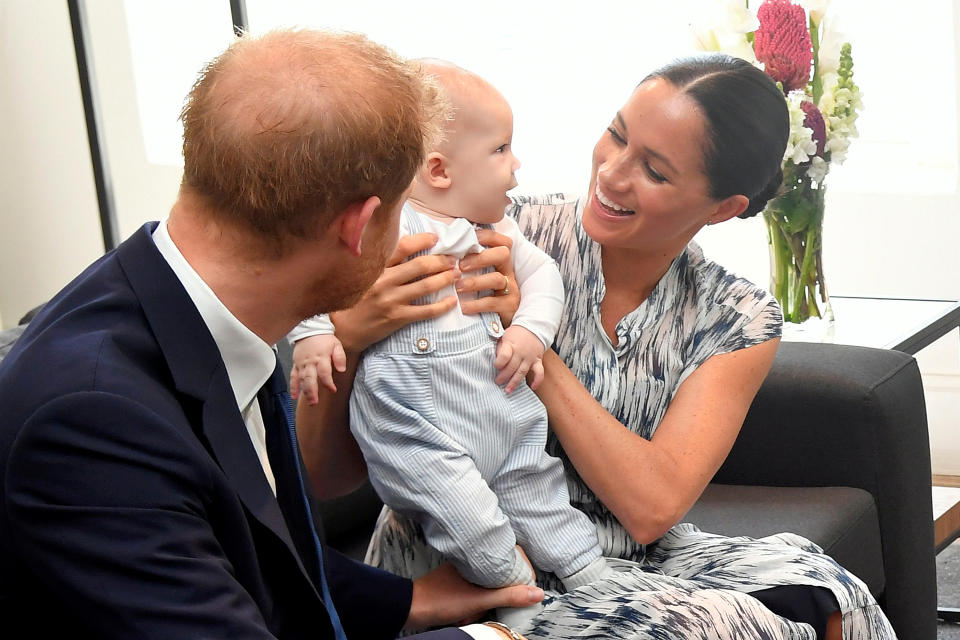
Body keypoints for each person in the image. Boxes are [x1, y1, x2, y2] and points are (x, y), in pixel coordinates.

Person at [297, 54, 896, 639]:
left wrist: (533, 342)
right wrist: (350, 332)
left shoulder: (735, 316)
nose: (611, 173)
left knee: (834, 592)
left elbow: (650, 507)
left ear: (723, 209)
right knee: (722, 628)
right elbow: (325, 476)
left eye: (655, 171)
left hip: (622, 547)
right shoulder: (487, 229)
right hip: (468, 547)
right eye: (616, 135)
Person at [0, 29, 543, 640]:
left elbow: (251, 553)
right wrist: (487, 638)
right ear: (362, 227)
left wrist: (407, 601)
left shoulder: (196, 303)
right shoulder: (91, 427)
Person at [288, 61, 610, 627]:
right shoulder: (376, 224)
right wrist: (316, 337)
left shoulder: (497, 230)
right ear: (439, 169)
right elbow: (317, 281)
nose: (517, 167)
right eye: (502, 150)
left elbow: (544, 279)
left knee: (535, 485)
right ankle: (508, 581)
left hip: (495, 402)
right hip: (410, 420)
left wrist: (530, 330)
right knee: (464, 511)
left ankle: (589, 574)